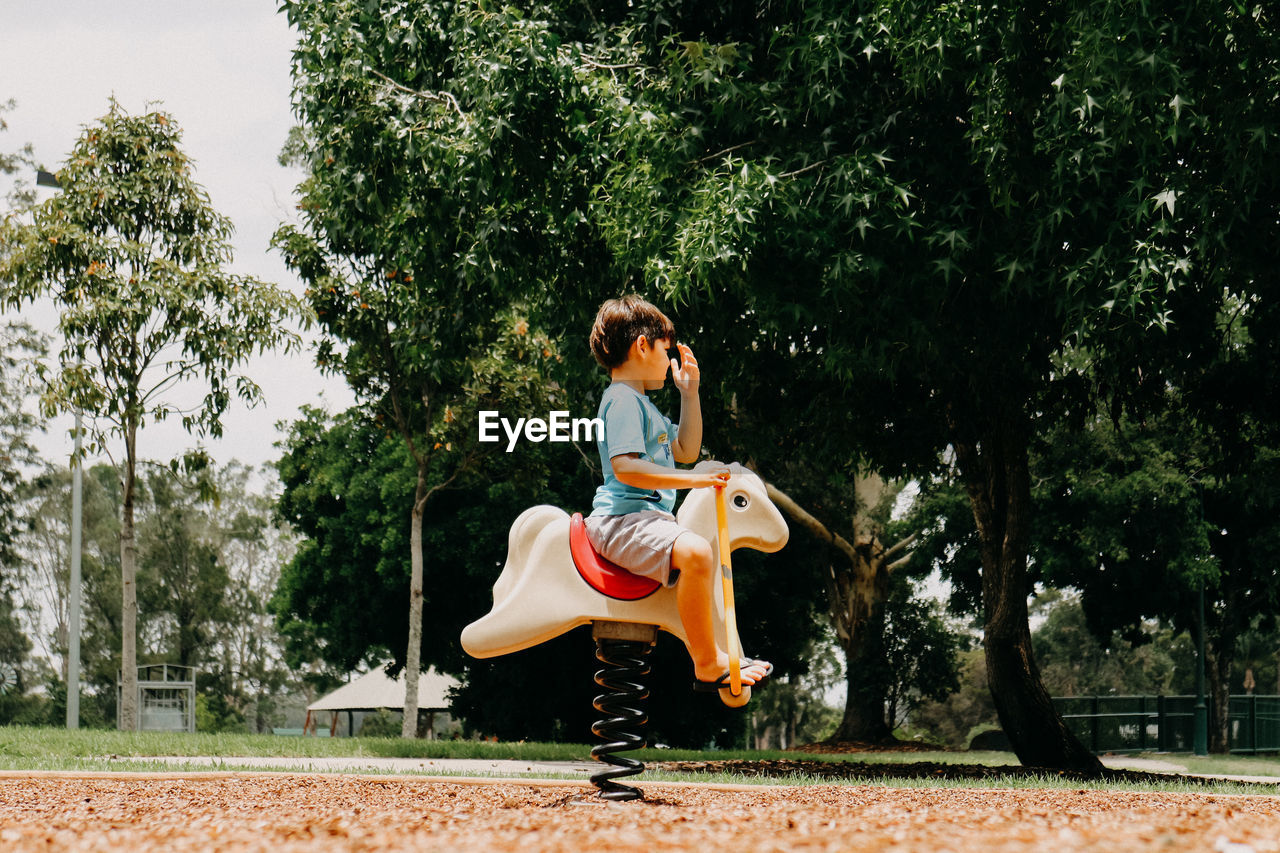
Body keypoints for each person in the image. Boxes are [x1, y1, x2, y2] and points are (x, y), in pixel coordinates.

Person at [586, 295, 772, 691]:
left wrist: (690, 394)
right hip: (621, 522)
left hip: (647, 521)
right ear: (641, 345)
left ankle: (715, 652)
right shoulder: (620, 401)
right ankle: (707, 663)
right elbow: (627, 468)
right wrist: (696, 482)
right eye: (665, 351)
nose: (668, 362)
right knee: (696, 553)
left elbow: (686, 450)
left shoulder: (646, 407)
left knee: (697, 550)